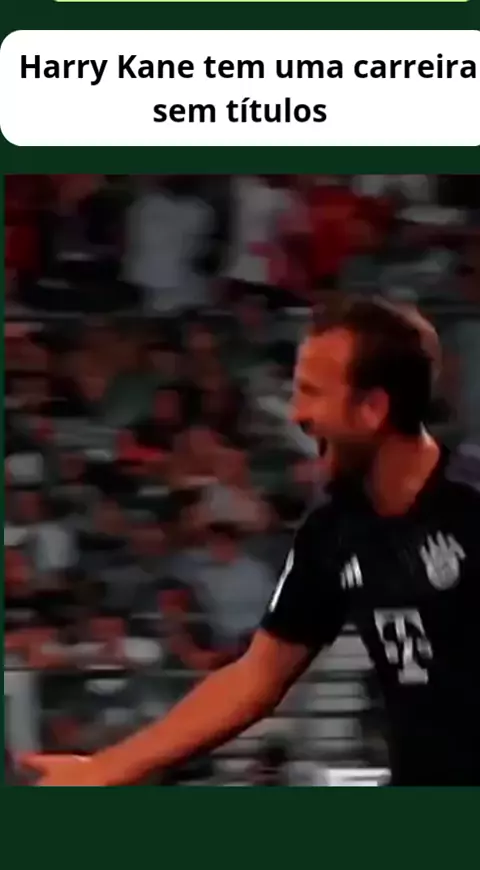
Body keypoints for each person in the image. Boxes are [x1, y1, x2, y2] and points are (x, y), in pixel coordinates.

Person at [24, 297, 480, 786]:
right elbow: (257, 676)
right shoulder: (333, 532)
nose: (297, 412)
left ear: (373, 408)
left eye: (312, 392)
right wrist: (105, 767)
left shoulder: (471, 506)